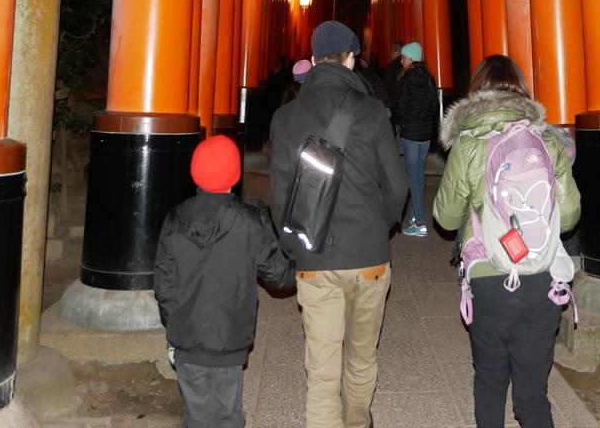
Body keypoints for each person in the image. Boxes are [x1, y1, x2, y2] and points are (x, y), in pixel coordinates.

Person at [269, 21, 409, 428]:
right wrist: (377, 228)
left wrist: (295, 245)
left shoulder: (285, 117)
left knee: (322, 369)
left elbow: (279, 199)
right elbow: (397, 187)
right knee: (362, 357)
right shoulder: (372, 112)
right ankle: (356, 420)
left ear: (313, 61)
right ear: (351, 59)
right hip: (368, 256)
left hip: (314, 257)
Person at [432, 55, 580, 428]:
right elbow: (572, 213)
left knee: (490, 383)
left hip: (489, 278)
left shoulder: (468, 144)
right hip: (542, 279)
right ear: (522, 92)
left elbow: (445, 218)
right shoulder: (547, 139)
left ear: (476, 93)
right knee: (533, 396)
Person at [154, 135, 296, 428]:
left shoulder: (174, 219)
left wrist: (177, 321)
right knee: (229, 413)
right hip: (231, 338)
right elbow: (278, 276)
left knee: (197, 415)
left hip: (188, 339)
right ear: (234, 175)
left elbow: (164, 284)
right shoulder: (251, 221)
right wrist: (302, 263)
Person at [392, 41, 438, 237]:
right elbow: (435, 106)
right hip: (425, 135)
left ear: (410, 58)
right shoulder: (429, 78)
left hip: (411, 135)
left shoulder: (406, 79)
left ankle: (420, 222)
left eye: (403, 57)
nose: (401, 61)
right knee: (418, 176)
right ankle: (414, 216)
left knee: (414, 178)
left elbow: (400, 107)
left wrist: (404, 122)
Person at [382, 41, 405, 108]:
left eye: (391, 52)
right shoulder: (407, 66)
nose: (390, 55)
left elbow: (386, 88)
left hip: (393, 105)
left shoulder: (391, 67)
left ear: (397, 53)